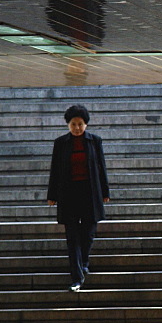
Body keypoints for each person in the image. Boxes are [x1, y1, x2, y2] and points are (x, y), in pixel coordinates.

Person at [46, 104, 110, 292]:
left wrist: (105, 192)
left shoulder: (94, 142)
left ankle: (82, 263)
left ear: (86, 125)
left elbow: (101, 168)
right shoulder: (60, 143)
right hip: (69, 194)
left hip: (90, 193)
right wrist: (52, 195)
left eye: (80, 124)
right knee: (72, 236)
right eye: (73, 124)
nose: (77, 128)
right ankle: (76, 277)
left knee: (88, 234)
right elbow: (55, 170)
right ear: (68, 124)